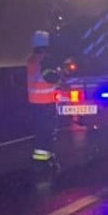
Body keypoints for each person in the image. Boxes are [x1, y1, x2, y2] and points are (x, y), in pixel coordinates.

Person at [26, 30, 62, 163]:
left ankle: (41, 157)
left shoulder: (32, 59)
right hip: (46, 101)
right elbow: (50, 77)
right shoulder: (45, 60)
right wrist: (60, 77)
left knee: (41, 130)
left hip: (35, 101)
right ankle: (45, 159)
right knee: (47, 130)